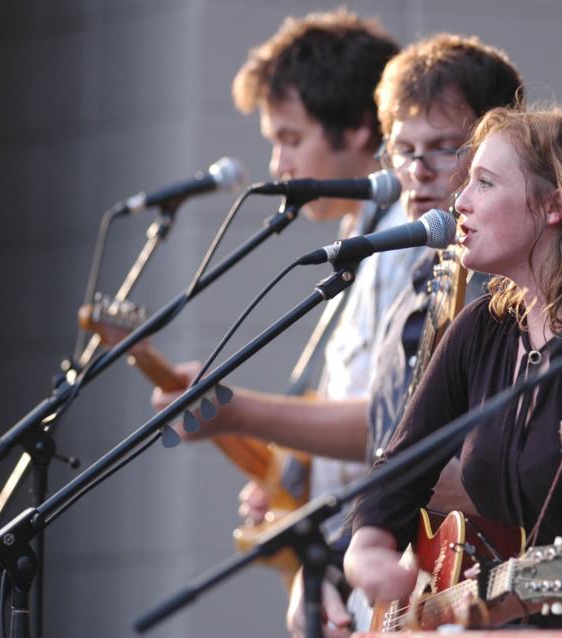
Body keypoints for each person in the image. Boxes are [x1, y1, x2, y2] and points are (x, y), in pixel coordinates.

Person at [346, 105, 562, 630]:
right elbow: (398, 472)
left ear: (556, 204)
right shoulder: (479, 328)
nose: (459, 202)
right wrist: (369, 549)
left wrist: (507, 598)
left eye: (483, 183)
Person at [152, 10, 401, 535]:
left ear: (359, 126)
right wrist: (295, 485)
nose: (277, 164)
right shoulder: (365, 238)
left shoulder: (400, 242)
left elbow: (395, 423)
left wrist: (239, 413)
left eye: (290, 138)